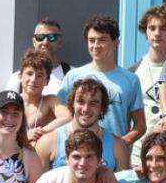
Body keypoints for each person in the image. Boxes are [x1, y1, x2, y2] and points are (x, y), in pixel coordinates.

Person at [56, 15, 146, 151]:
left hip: (113, 157)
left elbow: (140, 125)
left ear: (116, 43)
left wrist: (121, 143)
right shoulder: (73, 76)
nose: (96, 46)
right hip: (78, 153)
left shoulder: (130, 79)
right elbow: (62, 115)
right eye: (91, 40)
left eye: (102, 40)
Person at [36, 77, 126, 171]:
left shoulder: (118, 147)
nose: (85, 109)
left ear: (102, 108)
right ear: (72, 104)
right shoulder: (47, 143)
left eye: (93, 103)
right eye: (80, 102)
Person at [130, 3, 166, 164]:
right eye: (152, 28)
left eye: (163, 28)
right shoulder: (132, 72)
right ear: (145, 31)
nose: (157, 33)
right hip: (139, 154)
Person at [4, 18, 72, 95]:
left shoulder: (72, 75)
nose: (45, 42)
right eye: (40, 37)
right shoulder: (18, 79)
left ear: (60, 42)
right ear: (34, 41)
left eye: (52, 37)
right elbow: (7, 106)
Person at [17, 49, 70, 145]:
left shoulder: (50, 100)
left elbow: (68, 117)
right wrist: (25, 137)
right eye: (29, 74)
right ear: (20, 76)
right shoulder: (13, 102)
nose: (33, 79)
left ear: (47, 81)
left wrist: (40, 132)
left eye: (39, 76)